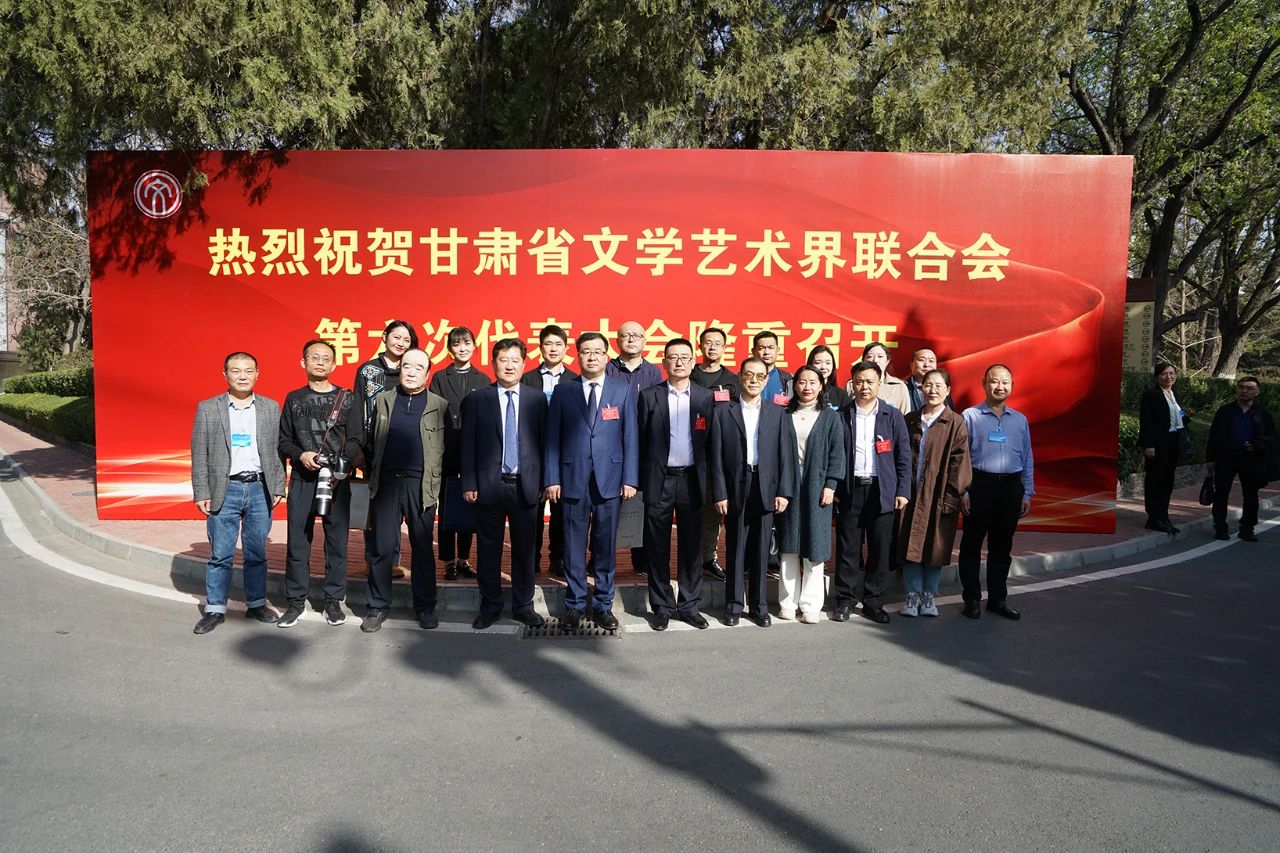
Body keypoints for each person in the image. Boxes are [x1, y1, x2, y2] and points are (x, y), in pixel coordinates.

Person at [544, 331, 640, 630]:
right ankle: (574, 604)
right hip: (572, 478)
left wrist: (630, 478)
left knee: (605, 545)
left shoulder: (621, 390)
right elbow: (552, 439)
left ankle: (602, 605)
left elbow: (631, 437)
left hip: (610, 479)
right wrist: (552, 478)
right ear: (578, 355)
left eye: (598, 351)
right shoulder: (564, 391)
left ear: (606, 356)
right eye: (586, 351)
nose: (592, 357)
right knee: (573, 545)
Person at [190, 352, 287, 634]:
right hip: (225, 488)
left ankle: (256, 604)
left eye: (248, 371)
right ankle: (215, 609)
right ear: (225, 374)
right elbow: (199, 452)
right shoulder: (208, 408)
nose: (242, 376)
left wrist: (278, 485)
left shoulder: (270, 407)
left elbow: (278, 451)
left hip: (259, 488)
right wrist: (201, 491)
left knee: (256, 552)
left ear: (257, 374)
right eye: (236, 371)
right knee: (221, 554)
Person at [462, 338, 548, 629]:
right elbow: (468, 443)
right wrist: (469, 482)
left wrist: (545, 481)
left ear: (524, 364)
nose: (509, 366)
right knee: (489, 550)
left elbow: (545, 443)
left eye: (515, 360)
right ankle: (490, 607)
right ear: (493, 363)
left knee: (525, 551)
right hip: (489, 485)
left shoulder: (537, 399)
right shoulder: (478, 399)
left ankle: (523, 606)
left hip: (526, 485)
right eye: (503, 360)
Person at [276, 339, 363, 629]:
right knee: (298, 543)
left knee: (337, 543)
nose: (320, 362)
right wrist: (301, 455)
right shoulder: (294, 398)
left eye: (326, 358)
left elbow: (356, 440)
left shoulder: (347, 399)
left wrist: (340, 465)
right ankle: (295, 601)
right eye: (315, 357)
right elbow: (284, 441)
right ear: (303, 362)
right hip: (303, 480)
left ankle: (333, 601)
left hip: (336, 482)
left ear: (334, 364)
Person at [361, 349, 448, 633]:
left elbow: (447, 448)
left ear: (427, 373)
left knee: (422, 548)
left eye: (418, 367)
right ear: (399, 369)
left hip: (421, 484)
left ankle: (425, 606)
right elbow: (371, 440)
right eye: (406, 366)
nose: (411, 372)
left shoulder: (439, 405)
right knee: (382, 547)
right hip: (386, 482)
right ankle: (377, 606)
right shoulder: (384, 400)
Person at [710, 356, 797, 627]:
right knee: (736, 547)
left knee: (762, 549)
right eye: (749, 374)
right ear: (740, 377)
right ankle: (734, 605)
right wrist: (719, 492)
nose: (754, 380)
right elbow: (715, 457)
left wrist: (783, 491)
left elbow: (786, 455)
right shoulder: (723, 412)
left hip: (766, 484)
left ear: (766, 380)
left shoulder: (777, 413)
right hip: (736, 484)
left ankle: (759, 607)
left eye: (760, 376)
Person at [638, 338, 716, 631]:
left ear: (693, 361)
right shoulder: (649, 396)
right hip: (660, 480)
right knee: (656, 546)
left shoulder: (705, 398)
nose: (679, 362)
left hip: (692, 480)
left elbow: (711, 443)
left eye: (685, 356)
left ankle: (689, 605)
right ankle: (661, 606)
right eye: (673, 357)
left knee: (691, 546)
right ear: (664, 362)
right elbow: (640, 441)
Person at [831, 360, 911, 625]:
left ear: (879, 383)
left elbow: (903, 456)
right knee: (848, 549)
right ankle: (845, 600)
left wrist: (902, 490)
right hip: (851, 488)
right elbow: (833, 454)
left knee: (880, 549)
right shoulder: (841, 415)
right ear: (852, 384)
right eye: (859, 381)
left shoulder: (892, 415)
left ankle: (873, 602)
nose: (864, 386)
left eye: (870, 381)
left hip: (882, 490)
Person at [958, 364, 1034, 620]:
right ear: (984, 384)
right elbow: (961, 457)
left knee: (1002, 547)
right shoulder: (970, 416)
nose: (999, 386)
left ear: (1011, 386)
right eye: (994, 381)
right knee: (971, 545)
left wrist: (1026, 493)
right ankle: (971, 599)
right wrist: (963, 491)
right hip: (979, 485)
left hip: (1010, 488)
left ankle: (998, 599)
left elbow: (1027, 457)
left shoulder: (1020, 420)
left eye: (1005, 382)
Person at [897, 368, 971, 618]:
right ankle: (911, 595)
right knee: (910, 545)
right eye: (928, 385)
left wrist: (951, 496)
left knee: (935, 546)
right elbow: (901, 457)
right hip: (910, 495)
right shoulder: (910, 420)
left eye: (939, 386)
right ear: (920, 389)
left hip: (939, 496)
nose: (932, 390)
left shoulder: (955, 422)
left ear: (948, 390)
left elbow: (959, 463)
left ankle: (929, 596)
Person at [775, 366, 845, 624]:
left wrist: (831, 485)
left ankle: (811, 605)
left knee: (815, 546)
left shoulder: (830, 417)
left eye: (813, 382)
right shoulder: (784, 415)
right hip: (789, 485)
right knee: (789, 545)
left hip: (818, 486)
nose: (807, 387)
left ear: (821, 386)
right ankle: (787, 603)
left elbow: (837, 453)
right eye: (802, 382)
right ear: (794, 385)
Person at [354, 320, 418, 579]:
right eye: (397, 337)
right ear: (384, 337)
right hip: (373, 450)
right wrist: (358, 447)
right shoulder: (368, 370)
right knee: (373, 508)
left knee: (396, 510)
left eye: (406, 340)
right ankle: (372, 559)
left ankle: (392, 561)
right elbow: (358, 408)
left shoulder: (411, 369)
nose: (401, 343)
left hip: (403, 451)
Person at [428, 326, 491, 580]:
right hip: (447, 450)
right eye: (457, 344)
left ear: (474, 346)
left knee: (470, 503)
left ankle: (464, 558)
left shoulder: (483, 379)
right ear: (450, 349)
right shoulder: (440, 378)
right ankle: (448, 560)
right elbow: (433, 413)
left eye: (466, 343)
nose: (462, 348)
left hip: (474, 453)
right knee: (446, 506)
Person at [521, 324, 579, 577]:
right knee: (532, 510)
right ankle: (531, 558)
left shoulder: (575, 380)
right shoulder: (527, 379)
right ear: (540, 348)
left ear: (566, 348)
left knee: (561, 510)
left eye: (558, 344)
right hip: (533, 453)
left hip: (563, 455)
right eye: (548, 344)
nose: (553, 349)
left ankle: (558, 557)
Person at [690, 326, 738, 582]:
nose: (712, 347)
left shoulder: (733, 380)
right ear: (700, 346)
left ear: (724, 347)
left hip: (718, 453)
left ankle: (708, 558)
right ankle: (689, 560)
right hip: (689, 450)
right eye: (707, 342)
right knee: (689, 510)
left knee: (711, 510)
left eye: (717, 343)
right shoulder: (689, 374)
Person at [1206, 376, 1276, 543]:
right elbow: (1214, 434)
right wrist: (1210, 457)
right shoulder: (1225, 411)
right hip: (1226, 457)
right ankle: (1220, 528)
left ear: (1257, 392)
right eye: (1241, 387)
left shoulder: (1263, 414)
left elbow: (1272, 438)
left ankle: (1247, 529)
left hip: (1251, 458)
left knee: (1251, 495)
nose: (1244, 391)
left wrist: (1256, 445)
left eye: (1249, 388)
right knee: (1221, 493)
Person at [1138, 362, 1190, 534]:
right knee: (1155, 480)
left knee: (1167, 481)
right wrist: (1149, 444)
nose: (1169, 377)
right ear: (1157, 377)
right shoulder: (1151, 395)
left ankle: (1163, 516)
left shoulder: (1174, 394)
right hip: (1158, 443)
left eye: (1172, 373)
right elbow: (1146, 421)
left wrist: (1185, 416)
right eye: (1164, 374)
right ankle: (1154, 518)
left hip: (1173, 441)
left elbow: (1178, 414)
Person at [847, 341, 910, 411]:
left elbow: (905, 414)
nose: (875, 360)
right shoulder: (851, 385)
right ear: (863, 360)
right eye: (870, 356)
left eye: (880, 356)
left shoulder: (899, 386)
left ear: (887, 361)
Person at [606, 319, 665, 393]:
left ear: (644, 342)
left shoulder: (653, 372)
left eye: (637, 335)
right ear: (617, 342)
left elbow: (657, 398)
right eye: (625, 335)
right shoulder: (607, 369)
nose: (631, 340)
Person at [903, 348, 954, 413]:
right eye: (921, 360)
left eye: (931, 361)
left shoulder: (942, 388)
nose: (926, 365)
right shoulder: (903, 388)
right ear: (911, 364)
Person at [752, 330, 793, 405]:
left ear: (778, 350)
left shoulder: (788, 379)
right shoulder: (742, 378)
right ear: (753, 351)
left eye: (771, 348)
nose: (766, 352)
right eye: (761, 348)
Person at [806, 345, 850, 409]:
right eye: (818, 363)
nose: (823, 367)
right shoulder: (805, 391)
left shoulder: (841, 394)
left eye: (828, 363)